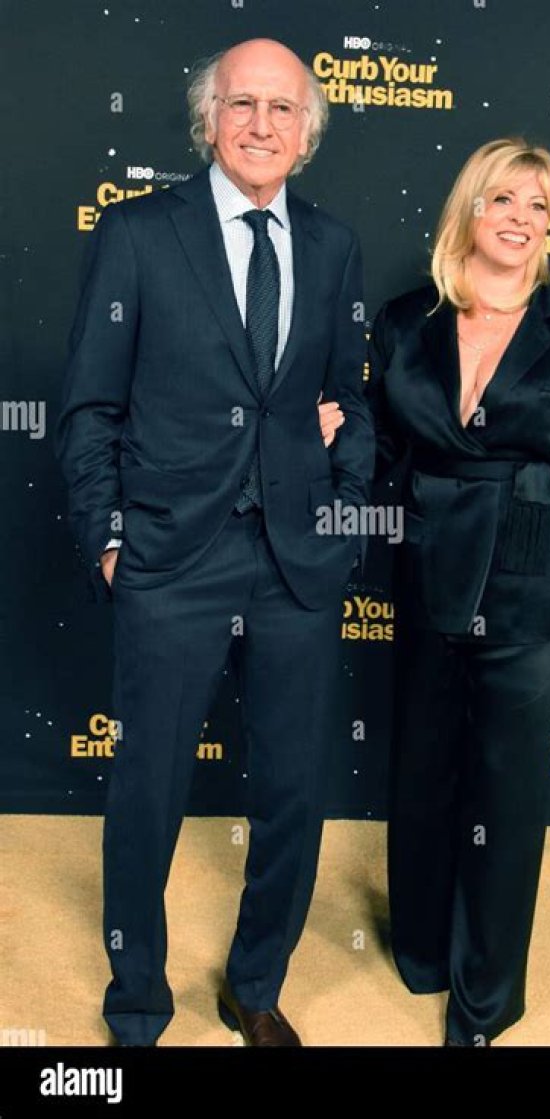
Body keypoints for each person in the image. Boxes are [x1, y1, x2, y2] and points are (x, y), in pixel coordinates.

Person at [55, 38, 374, 1047]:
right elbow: (90, 406)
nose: (262, 125)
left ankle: (255, 984)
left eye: (283, 108)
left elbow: (352, 400)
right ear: (209, 119)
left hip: (295, 563)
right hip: (170, 558)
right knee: (146, 791)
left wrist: (342, 515)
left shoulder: (332, 246)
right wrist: (111, 541)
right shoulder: (138, 233)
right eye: (243, 104)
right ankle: (137, 1001)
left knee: (293, 794)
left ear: (307, 131)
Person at [330, 137, 550, 1046]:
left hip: (537, 577)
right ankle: (422, 953)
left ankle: (485, 1004)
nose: (522, 220)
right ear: (470, 207)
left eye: (540, 206)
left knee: (508, 795)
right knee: (423, 774)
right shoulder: (404, 321)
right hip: (428, 568)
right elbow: (381, 455)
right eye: (504, 199)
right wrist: (330, 436)